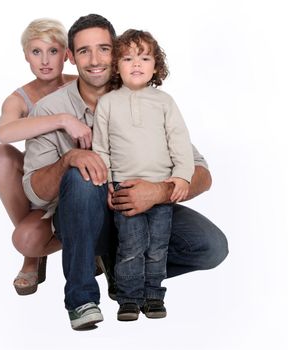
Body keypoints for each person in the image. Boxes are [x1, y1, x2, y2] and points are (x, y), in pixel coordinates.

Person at [23, 14, 228, 331]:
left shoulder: (150, 99)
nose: (95, 60)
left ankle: (125, 274)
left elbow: (201, 171)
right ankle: (82, 300)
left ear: (116, 53)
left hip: (145, 210)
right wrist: (69, 159)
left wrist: (157, 191)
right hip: (83, 221)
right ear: (71, 57)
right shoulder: (50, 109)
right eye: (83, 51)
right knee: (83, 171)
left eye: (104, 49)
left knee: (211, 246)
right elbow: (34, 192)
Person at [92, 28, 194, 321]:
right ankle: (128, 298)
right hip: (123, 187)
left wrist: (183, 177)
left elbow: (179, 141)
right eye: (127, 58)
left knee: (157, 246)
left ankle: (153, 296)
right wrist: (107, 185)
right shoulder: (108, 103)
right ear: (116, 66)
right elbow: (101, 148)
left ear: (155, 66)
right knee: (131, 246)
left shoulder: (165, 103)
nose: (136, 64)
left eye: (144, 57)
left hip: (162, 187)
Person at [0, 18, 92, 296]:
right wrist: (62, 120)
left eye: (53, 51)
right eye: (36, 52)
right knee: (0, 156)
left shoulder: (82, 83)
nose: (45, 60)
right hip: (43, 189)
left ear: (67, 55)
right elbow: (4, 132)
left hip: (83, 184)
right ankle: (34, 254)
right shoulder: (19, 99)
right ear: (26, 56)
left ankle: (93, 243)